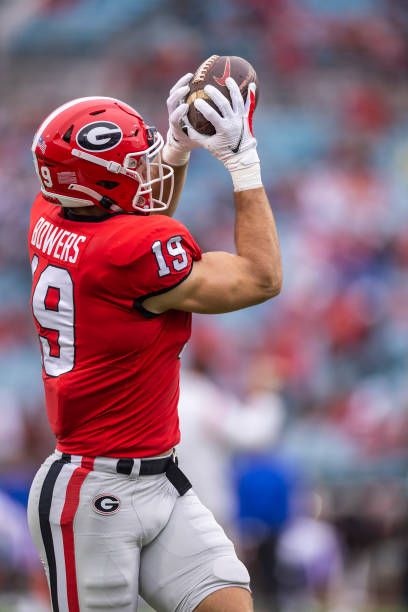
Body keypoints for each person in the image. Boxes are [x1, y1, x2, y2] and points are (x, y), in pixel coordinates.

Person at [26, 71, 282, 612]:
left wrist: (178, 151)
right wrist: (242, 159)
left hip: (159, 478)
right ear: (100, 180)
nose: (146, 165)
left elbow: (134, 216)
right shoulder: (129, 252)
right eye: (135, 161)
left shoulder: (49, 213)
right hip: (92, 494)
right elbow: (260, 278)